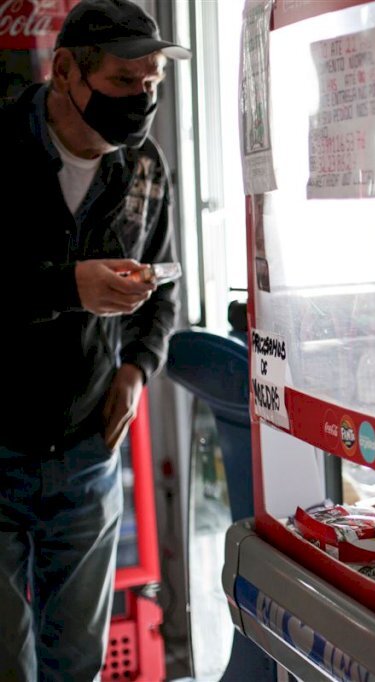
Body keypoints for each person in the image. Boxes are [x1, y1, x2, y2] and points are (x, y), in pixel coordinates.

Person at [0, 1, 190, 678]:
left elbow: (164, 287)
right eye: (122, 82)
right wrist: (65, 289)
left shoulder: (144, 168)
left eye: (153, 83)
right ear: (65, 72)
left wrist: (138, 368)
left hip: (86, 455)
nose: (142, 100)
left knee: (77, 663)